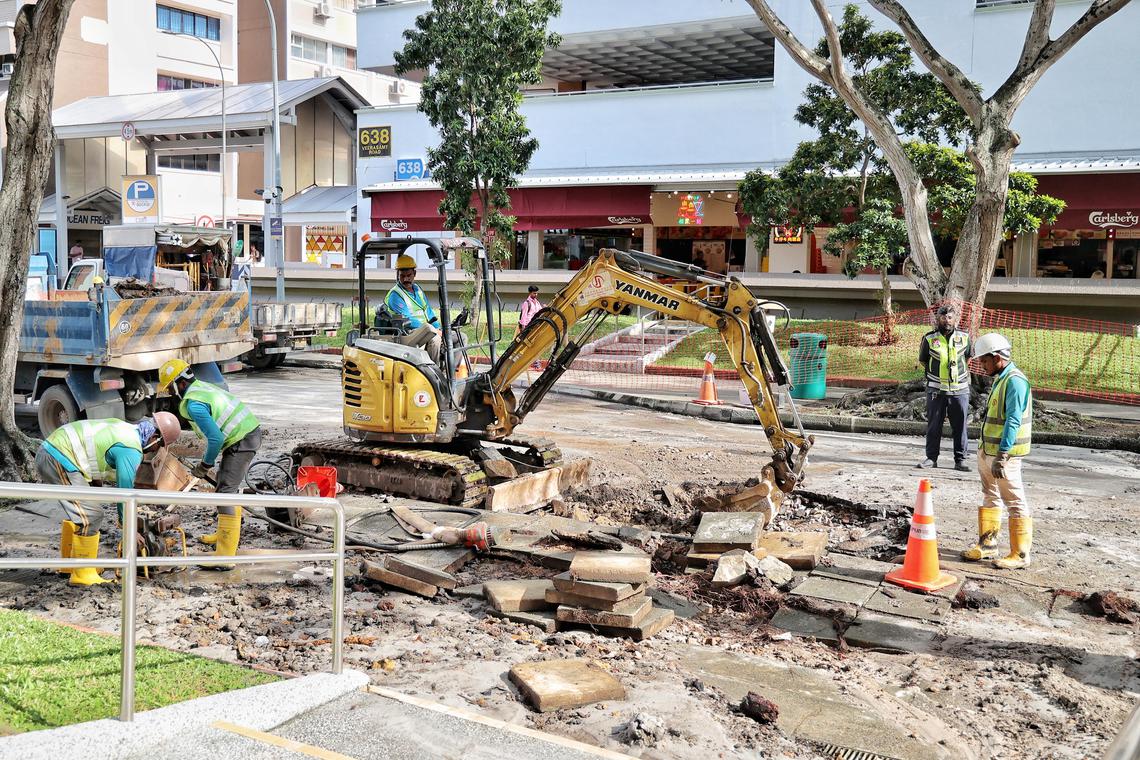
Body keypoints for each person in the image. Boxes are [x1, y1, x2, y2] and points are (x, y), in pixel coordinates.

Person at [37, 413, 181, 586]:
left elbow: (95, 450)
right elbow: (125, 492)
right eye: (159, 446)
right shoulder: (131, 449)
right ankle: (82, 574)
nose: (156, 451)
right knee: (91, 516)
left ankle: (71, 566)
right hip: (57, 457)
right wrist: (128, 528)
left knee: (81, 510)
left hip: (54, 452)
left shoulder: (127, 430)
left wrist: (96, 485)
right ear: (154, 437)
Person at [157, 359, 261, 568]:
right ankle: (224, 534)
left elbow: (216, 439)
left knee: (226, 493)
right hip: (245, 434)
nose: (171, 392)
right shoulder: (201, 388)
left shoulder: (194, 404)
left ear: (180, 384)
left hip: (243, 439)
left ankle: (225, 557)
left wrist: (205, 465)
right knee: (224, 484)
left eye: (170, 388)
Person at [963, 333, 1034, 570]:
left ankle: (1020, 555)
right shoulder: (1001, 378)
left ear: (996, 358)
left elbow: (1013, 421)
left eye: (984, 361)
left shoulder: (1014, 381)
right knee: (990, 496)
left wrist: (1002, 456)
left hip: (1005, 456)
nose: (982, 367)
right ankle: (988, 545)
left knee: (1014, 502)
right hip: (988, 452)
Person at [916, 304, 971, 471]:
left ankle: (960, 460)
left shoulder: (965, 337)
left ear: (955, 319)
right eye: (942, 317)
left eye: (949, 317)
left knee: (960, 426)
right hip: (936, 390)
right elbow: (923, 360)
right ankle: (931, 458)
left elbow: (968, 358)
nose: (946, 320)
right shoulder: (929, 339)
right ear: (938, 319)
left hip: (960, 390)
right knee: (934, 425)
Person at [386, 254, 442, 363]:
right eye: (402, 276)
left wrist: (438, 328)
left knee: (459, 336)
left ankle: (456, 373)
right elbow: (407, 320)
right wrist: (433, 330)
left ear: (414, 274)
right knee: (435, 339)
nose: (406, 279)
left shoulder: (418, 289)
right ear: (398, 275)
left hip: (425, 329)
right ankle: (433, 373)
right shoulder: (395, 295)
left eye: (409, 275)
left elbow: (428, 311)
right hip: (408, 332)